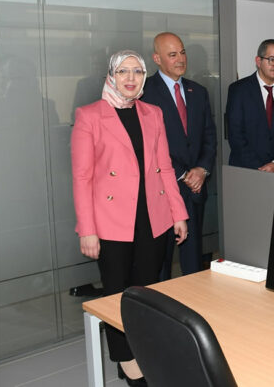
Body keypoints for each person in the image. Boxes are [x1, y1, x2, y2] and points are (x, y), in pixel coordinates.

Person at [72, 50, 188, 385]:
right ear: (111, 75)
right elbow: (81, 178)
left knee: (145, 294)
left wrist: (178, 213)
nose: (131, 78)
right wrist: (87, 229)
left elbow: (165, 167)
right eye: (123, 71)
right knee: (116, 295)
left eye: (137, 71)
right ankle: (127, 363)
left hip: (153, 217)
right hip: (110, 222)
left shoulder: (153, 113)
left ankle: (145, 353)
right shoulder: (89, 115)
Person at [142, 32, 216, 279]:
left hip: (195, 188)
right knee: (160, 263)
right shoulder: (145, 93)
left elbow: (209, 136)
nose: (181, 59)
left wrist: (202, 170)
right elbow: (149, 145)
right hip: (162, 189)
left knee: (193, 259)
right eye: (172, 54)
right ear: (157, 59)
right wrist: (183, 174)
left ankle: (194, 300)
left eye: (182, 52)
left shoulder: (198, 91)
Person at [226, 39, 274, 173]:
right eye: (272, 60)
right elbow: (235, 135)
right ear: (258, 61)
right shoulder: (238, 90)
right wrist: (260, 169)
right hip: (246, 170)